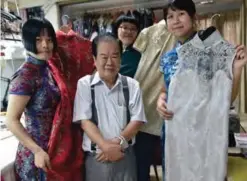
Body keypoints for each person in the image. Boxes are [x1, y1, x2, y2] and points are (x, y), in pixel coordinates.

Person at [156, 0, 247, 179]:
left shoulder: (213, 51)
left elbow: (225, 99)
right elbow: (164, 90)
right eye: (170, 16)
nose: (175, 20)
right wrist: (161, 101)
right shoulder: (168, 57)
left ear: (194, 17)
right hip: (176, 130)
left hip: (204, 133)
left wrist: (236, 68)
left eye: (181, 14)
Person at [6, 18, 83, 181]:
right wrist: (36, 150)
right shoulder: (25, 76)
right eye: (38, 40)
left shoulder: (51, 67)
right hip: (37, 154)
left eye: (49, 40)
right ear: (27, 41)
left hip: (58, 148)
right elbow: (11, 120)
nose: (45, 45)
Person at [73, 33, 147, 181]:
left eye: (114, 56)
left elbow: (137, 120)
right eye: (104, 57)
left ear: (120, 58)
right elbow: (85, 121)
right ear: (94, 60)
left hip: (125, 155)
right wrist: (105, 146)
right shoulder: (85, 84)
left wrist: (118, 143)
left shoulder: (132, 85)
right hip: (97, 158)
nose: (109, 62)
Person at [115, 15, 162, 181]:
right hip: (115, 113)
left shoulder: (142, 54)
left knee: (139, 162)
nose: (128, 31)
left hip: (138, 114)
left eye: (132, 28)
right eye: (124, 27)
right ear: (117, 29)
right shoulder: (111, 51)